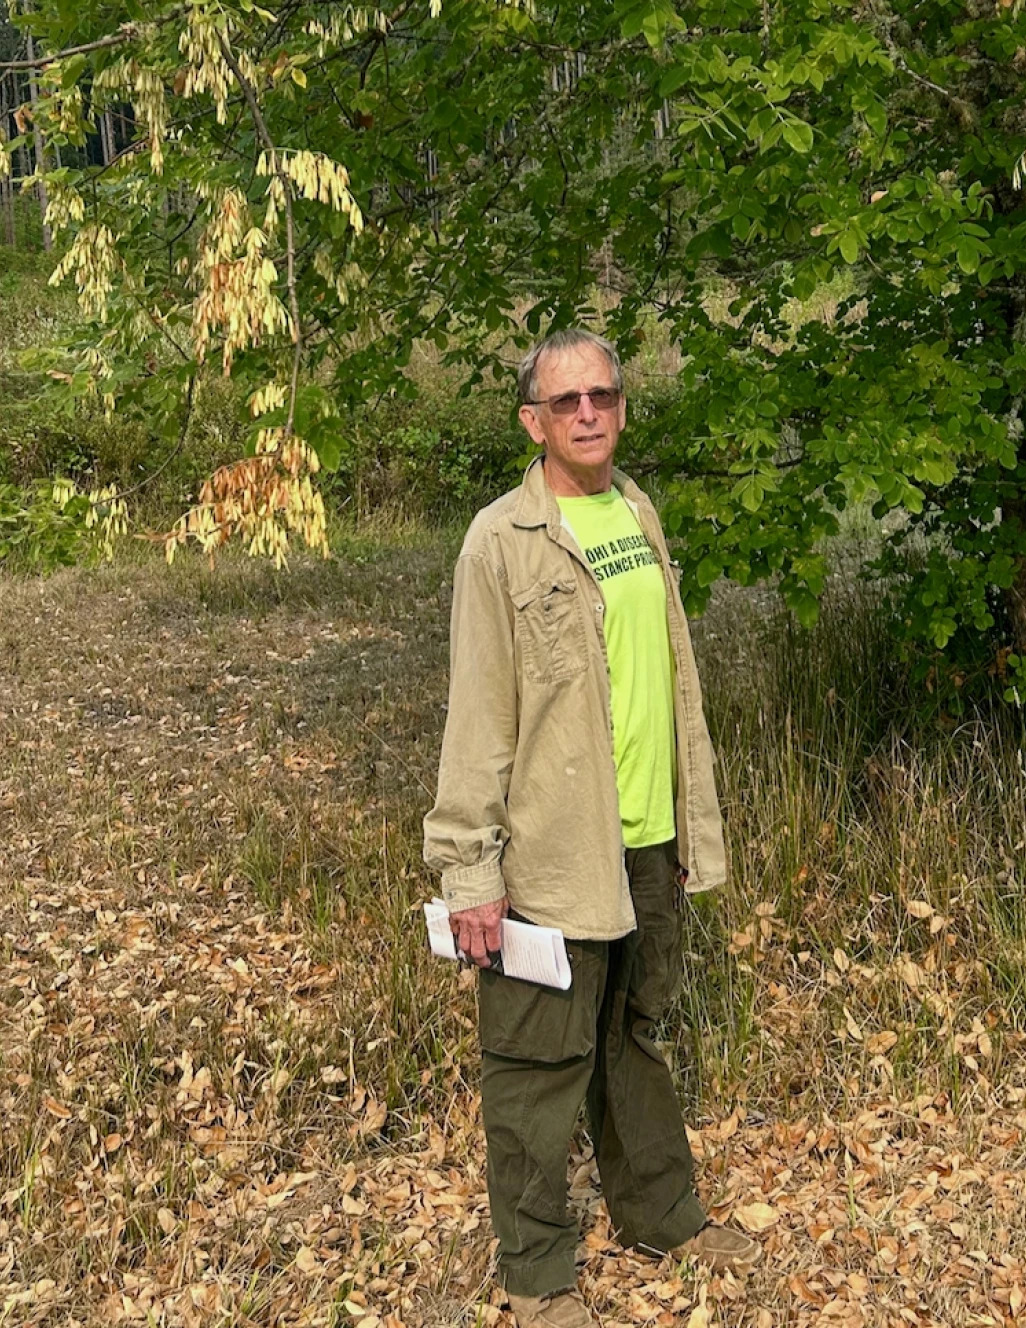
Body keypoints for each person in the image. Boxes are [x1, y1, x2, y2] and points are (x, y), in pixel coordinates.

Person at [423, 329, 761, 1327]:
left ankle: (662, 1212)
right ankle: (535, 1274)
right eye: (564, 400)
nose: (586, 413)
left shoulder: (637, 511)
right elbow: (477, 715)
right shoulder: (500, 540)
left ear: (620, 408)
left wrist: (689, 821)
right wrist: (468, 867)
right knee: (536, 1065)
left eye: (602, 396)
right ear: (532, 420)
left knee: (632, 1037)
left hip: (647, 838)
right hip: (551, 854)